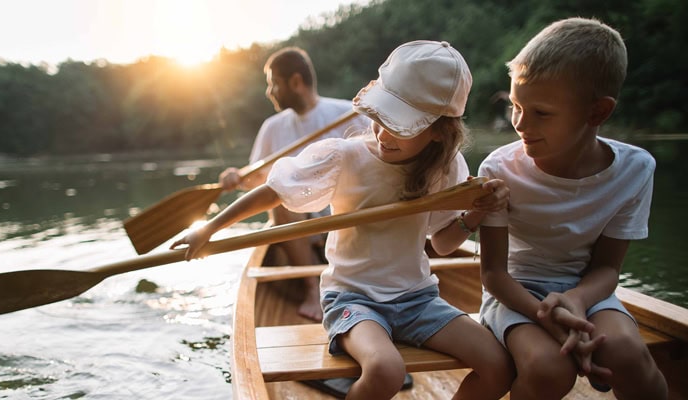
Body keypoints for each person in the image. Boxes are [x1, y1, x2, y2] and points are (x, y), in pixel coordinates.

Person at [173, 40, 513, 400]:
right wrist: (208, 228)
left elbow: (443, 243)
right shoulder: (345, 157)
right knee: (387, 370)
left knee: (498, 364)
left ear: (438, 132)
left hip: (417, 298)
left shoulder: (447, 168)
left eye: (399, 127)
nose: (382, 134)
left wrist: (476, 213)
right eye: (380, 119)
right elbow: (273, 191)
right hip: (353, 297)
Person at [477, 17, 669, 399]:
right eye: (516, 105)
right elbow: (494, 274)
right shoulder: (499, 170)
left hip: (588, 293)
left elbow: (607, 269)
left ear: (597, 113)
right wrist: (547, 316)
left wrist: (576, 302)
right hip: (515, 294)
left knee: (627, 354)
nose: (519, 123)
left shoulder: (635, 169)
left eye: (541, 113)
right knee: (548, 367)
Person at [218, 46, 369, 322]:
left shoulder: (350, 113)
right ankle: (312, 288)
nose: (269, 92)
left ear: (296, 82)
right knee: (281, 199)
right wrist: (234, 177)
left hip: (347, 217)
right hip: (299, 227)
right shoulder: (272, 127)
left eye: (273, 83)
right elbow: (254, 179)